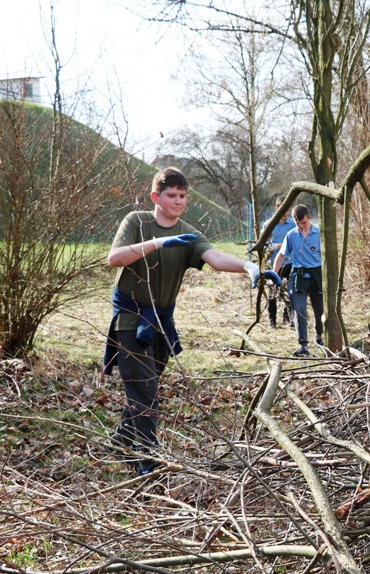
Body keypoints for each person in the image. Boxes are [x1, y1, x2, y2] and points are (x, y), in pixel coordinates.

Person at [103, 167, 261, 475]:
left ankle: (121, 441)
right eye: (171, 196)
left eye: (183, 196)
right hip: (130, 319)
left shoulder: (189, 232)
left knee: (144, 390)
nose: (178, 201)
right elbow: (114, 258)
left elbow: (214, 258)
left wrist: (248, 266)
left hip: (161, 324)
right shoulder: (137, 222)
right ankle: (149, 465)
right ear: (155, 197)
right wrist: (158, 244)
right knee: (145, 392)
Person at [273, 204, 323, 357]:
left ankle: (319, 336)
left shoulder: (319, 234)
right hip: (298, 275)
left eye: (303, 222)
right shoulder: (291, 235)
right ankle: (303, 345)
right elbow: (281, 255)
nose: (301, 226)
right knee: (299, 309)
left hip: (317, 274)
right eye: (297, 223)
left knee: (319, 309)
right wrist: (273, 275)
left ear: (309, 217)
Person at [266, 196, 296, 328]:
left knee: (290, 292)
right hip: (273, 264)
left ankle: (287, 318)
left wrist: (280, 246)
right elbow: (264, 243)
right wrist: (271, 246)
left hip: (289, 262)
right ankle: (272, 320)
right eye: (282, 211)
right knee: (272, 291)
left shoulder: (292, 224)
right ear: (276, 208)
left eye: (287, 211)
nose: (285, 215)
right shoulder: (269, 224)